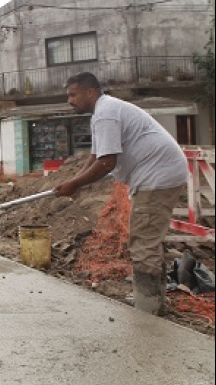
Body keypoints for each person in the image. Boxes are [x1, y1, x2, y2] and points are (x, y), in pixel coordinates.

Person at [54, 72, 188, 315]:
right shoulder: (103, 113)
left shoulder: (106, 113)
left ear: (90, 92)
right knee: (146, 240)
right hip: (157, 174)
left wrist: (74, 185)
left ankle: (147, 309)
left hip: (157, 176)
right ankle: (153, 300)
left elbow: (107, 162)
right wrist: (75, 182)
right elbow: (95, 157)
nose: (70, 100)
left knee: (143, 242)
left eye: (73, 95)